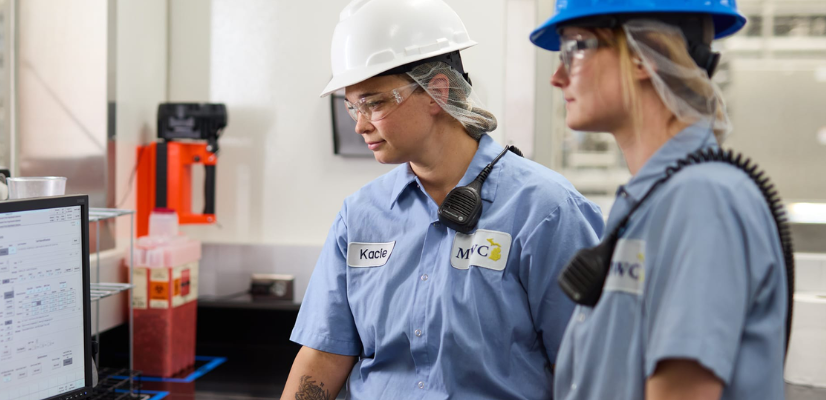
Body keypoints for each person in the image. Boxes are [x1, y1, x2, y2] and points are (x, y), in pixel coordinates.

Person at [281, 0, 607, 398]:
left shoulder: (546, 210)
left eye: (375, 103)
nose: (360, 124)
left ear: (437, 91)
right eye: (352, 106)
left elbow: (588, 367)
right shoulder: (360, 215)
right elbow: (324, 356)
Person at [531, 0, 792, 398]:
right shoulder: (653, 199)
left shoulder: (702, 200)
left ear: (644, 54)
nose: (558, 76)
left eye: (576, 48)